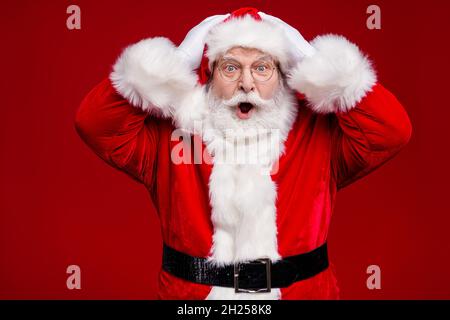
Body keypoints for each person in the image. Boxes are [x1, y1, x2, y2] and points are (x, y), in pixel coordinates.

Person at [75, 7, 412, 299]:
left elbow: (392, 131)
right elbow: (94, 124)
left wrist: (316, 63)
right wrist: (171, 64)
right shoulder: (170, 135)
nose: (247, 83)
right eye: (231, 68)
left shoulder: (318, 133)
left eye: (262, 68)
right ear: (208, 75)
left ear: (283, 75)